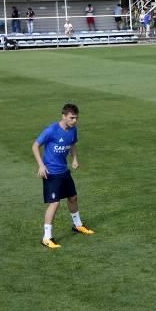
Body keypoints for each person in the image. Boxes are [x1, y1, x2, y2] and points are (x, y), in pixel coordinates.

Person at [31, 104, 95, 249]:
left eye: (76, 118)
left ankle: (77, 225)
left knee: (73, 197)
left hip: (64, 172)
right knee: (54, 204)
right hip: (51, 173)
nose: (75, 120)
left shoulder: (73, 130)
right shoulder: (51, 130)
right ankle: (46, 238)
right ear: (64, 116)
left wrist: (75, 159)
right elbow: (35, 146)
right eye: (72, 118)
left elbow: (72, 144)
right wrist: (41, 165)